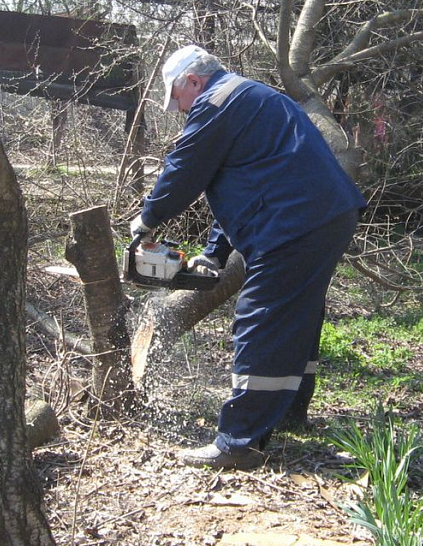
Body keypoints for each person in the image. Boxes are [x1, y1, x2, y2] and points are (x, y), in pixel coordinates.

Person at [130, 44, 366, 470]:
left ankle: (240, 442)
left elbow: (184, 170)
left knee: (261, 316)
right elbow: (240, 185)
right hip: (323, 214)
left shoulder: (216, 103)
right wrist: (213, 253)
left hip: (298, 221)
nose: (179, 109)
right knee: (297, 312)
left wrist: (146, 221)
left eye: (177, 98)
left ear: (193, 82)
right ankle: (289, 410)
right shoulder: (249, 98)